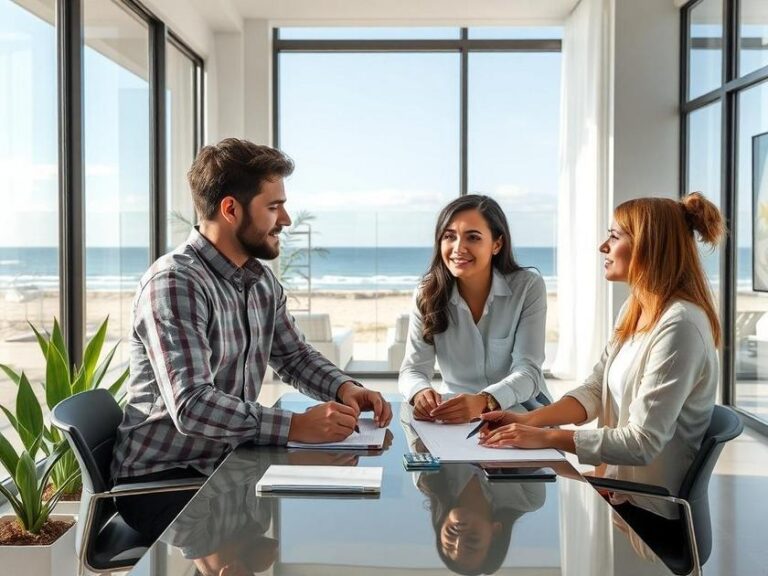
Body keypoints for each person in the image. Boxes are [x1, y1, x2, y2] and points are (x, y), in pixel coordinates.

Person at [110, 138, 392, 539]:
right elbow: (192, 406)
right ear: (230, 209)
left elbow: (293, 356)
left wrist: (344, 387)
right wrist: (295, 426)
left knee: (343, 518)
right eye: (273, 207)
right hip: (166, 481)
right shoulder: (175, 283)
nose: (287, 220)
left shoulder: (259, 280)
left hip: (226, 463)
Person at [479, 192, 724, 519]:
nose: (602, 247)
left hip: (648, 508)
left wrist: (544, 437)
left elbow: (641, 443)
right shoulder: (635, 309)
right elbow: (597, 389)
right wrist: (527, 420)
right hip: (618, 489)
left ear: (649, 245)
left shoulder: (680, 325)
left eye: (614, 236)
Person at [398, 194, 550, 423]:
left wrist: (484, 400)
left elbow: (529, 372)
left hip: (520, 412)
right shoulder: (427, 293)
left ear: (497, 244)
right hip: (453, 416)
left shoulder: (528, 286)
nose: (459, 248)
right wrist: (420, 392)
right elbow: (413, 369)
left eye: (473, 238)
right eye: (449, 237)